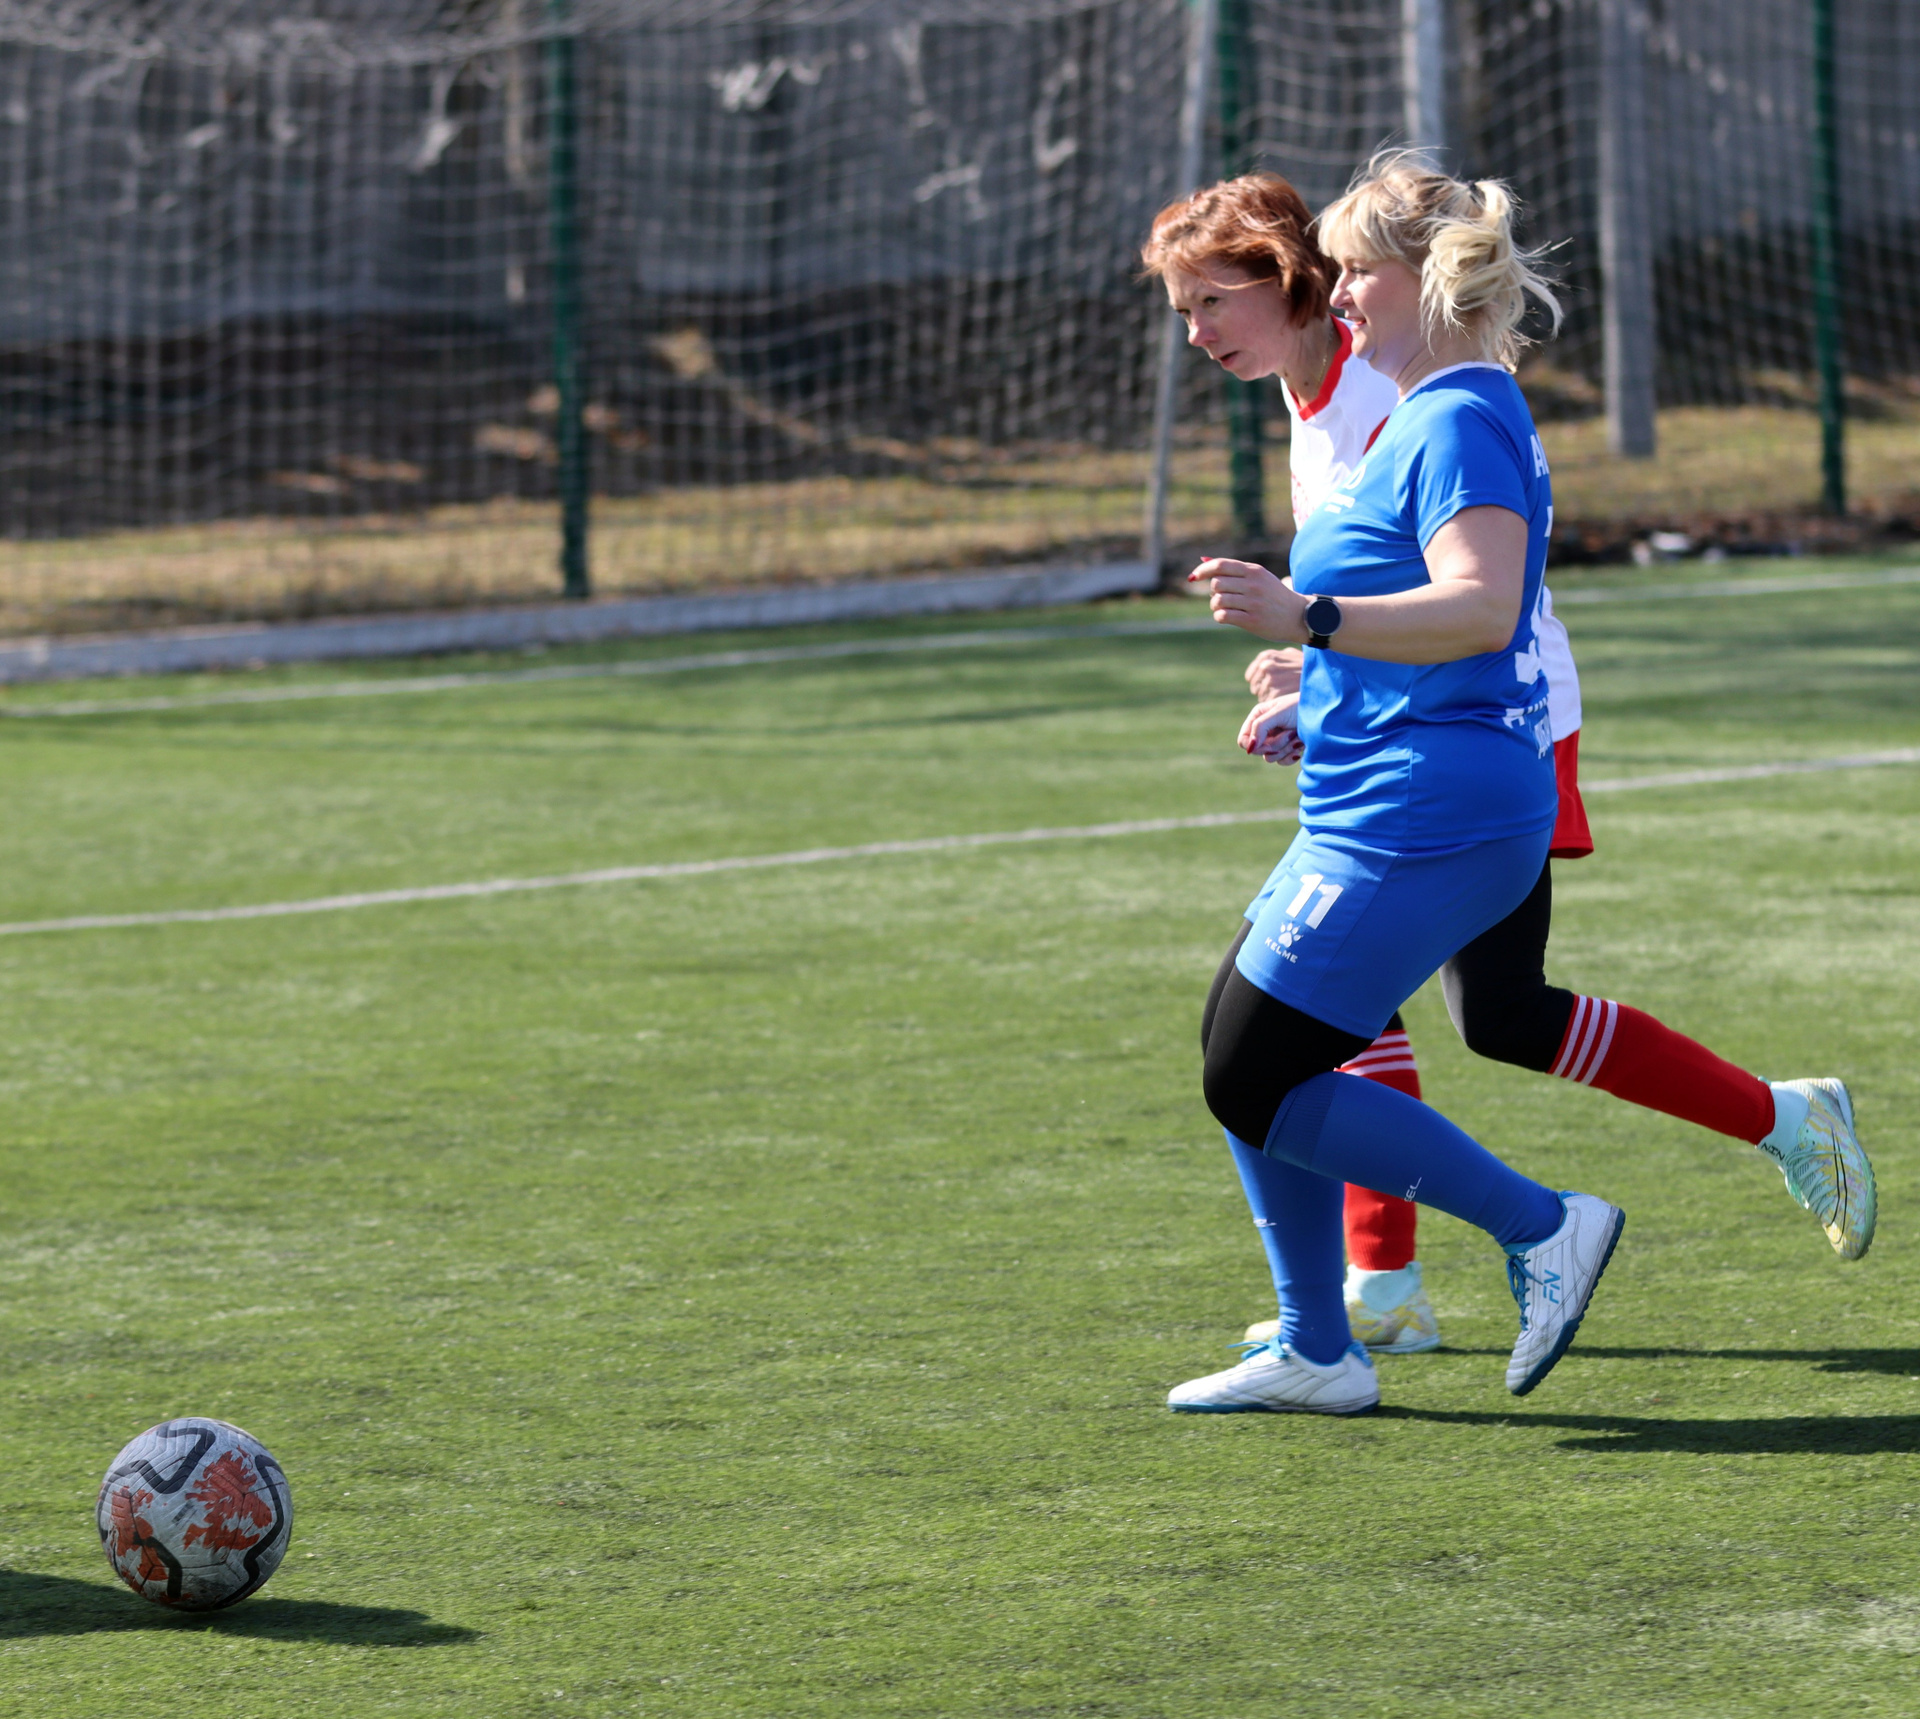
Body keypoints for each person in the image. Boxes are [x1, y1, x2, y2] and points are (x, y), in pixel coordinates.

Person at [1142, 168, 1876, 1379]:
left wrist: (1317, 637)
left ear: (1299, 282)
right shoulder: (1339, 395)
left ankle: (1407, 1277)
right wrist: (1314, 680)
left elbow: (1472, 601)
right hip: (1413, 734)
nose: (1196, 331)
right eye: (1183, 308)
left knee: (1346, 1016)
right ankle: (1370, 1299)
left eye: (1213, 300)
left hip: (1473, 739)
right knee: (1470, 1013)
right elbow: (1387, 582)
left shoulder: (1411, 392)